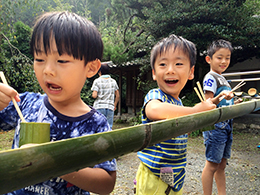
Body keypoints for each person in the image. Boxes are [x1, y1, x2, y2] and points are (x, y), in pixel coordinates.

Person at [0, 11, 116, 195]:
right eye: (39, 59)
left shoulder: (95, 123)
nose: (48, 70)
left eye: (61, 60)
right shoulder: (24, 103)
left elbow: (106, 184)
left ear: (91, 67)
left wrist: (53, 163)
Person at [135, 34, 216, 195]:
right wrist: (194, 111)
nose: (170, 70)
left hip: (173, 173)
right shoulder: (155, 95)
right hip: (154, 174)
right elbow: (154, 110)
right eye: (163, 64)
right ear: (154, 72)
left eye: (178, 64)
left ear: (191, 72)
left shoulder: (178, 104)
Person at [201, 39, 237, 195]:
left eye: (227, 57)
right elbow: (208, 104)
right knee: (211, 165)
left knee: (222, 164)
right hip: (216, 126)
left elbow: (225, 102)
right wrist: (220, 97)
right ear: (209, 59)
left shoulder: (223, 79)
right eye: (219, 57)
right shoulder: (210, 78)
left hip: (226, 125)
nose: (224, 61)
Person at [91, 63, 120, 128]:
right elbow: (117, 95)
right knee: (109, 127)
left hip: (99, 107)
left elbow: (94, 95)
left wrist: (94, 93)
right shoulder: (113, 81)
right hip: (110, 107)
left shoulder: (97, 81)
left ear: (100, 72)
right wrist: (114, 105)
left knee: (98, 126)